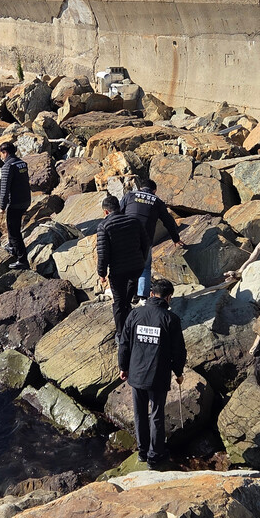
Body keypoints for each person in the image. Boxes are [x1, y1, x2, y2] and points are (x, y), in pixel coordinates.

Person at [118, 278, 187, 467]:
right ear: (168, 298)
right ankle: (155, 456)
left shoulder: (134, 314)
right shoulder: (171, 319)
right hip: (158, 375)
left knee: (139, 414)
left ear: (151, 294)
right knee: (156, 415)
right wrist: (178, 372)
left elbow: (124, 343)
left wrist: (123, 367)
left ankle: (142, 452)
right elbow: (178, 350)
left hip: (136, 374)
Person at [119, 177, 182, 301]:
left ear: (140, 188)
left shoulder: (129, 196)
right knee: (144, 268)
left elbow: (118, 213)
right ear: (154, 191)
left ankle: (125, 295)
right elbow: (168, 221)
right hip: (145, 240)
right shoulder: (157, 201)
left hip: (126, 237)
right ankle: (142, 296)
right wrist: (175, 239)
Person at [98, 195, 150, 332]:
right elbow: (146, 244)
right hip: (136, 268)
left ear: (106, 212)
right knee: (127, 298)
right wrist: (142, 260)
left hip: (118, 271)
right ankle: (130, 323)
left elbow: (103, 254)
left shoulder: (104, 225)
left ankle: (121, 334)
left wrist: (102, 274)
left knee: (119, 303)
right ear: (119, 207)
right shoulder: (134, 221)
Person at [0, 141, 31, 269]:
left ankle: (22, 260)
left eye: (1, 154)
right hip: (26, 200)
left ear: (5, 153)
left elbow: (4, 188)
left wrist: (2, 206)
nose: (0, 157)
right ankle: (12, 248)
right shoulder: (22, 163)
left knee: (14, 231)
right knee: (13, 226)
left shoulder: (8, 166)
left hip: (16, 203)